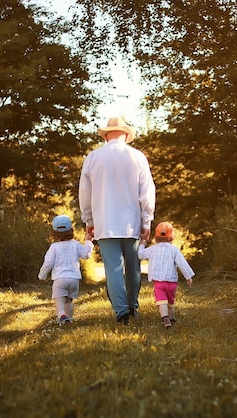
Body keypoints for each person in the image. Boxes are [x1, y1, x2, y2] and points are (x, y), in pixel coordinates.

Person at [79, 116, 156, 325]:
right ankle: (132, 306)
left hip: (105, 223)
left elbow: (85, 193)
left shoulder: (93, 157)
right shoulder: (137, 157)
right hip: (132, 223)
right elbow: (147, 192)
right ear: (126, 135)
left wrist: (89, 220)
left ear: (106, 136)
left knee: (113, 269)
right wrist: (147, 221)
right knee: (133, 268)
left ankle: (121, 312)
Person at [37, 215, 94, 325]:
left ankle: (61, 315)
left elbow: (48, 263)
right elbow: (86, 255)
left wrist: (42, 275)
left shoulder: (54, 247)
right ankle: (69, 320)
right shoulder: (76, 244)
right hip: (74, 279)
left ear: (53, 233)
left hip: (60, 279)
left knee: (59, 299)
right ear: (71, 230)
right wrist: (88, 241)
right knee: (68, 301)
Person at [138, 222, 194, 329]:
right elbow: (182, 263)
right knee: (170, 302)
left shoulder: (153, 249)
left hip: (159, 281)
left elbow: (140, 255)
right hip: (171, 282)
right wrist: (188, 276)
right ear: (172, 238)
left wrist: (142, 242)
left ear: (156, 237)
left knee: (161, 300)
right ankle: (172, 319)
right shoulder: (174, 250)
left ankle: (165, 318)